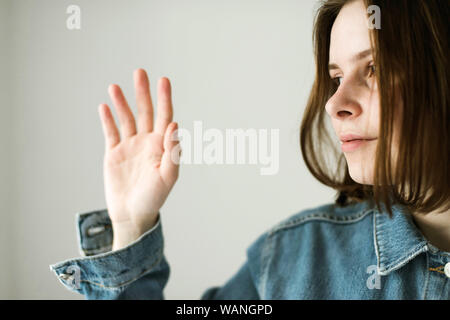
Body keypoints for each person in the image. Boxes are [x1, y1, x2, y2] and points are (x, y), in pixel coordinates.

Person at [50, 0, 450, 299]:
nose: (334, 103)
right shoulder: (290, 261)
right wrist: (131, 228)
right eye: (337, 76)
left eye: (374, 68)